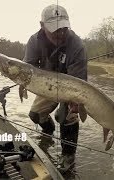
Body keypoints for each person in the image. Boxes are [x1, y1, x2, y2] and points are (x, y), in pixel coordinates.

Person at [22, 4, 87, 172]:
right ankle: (48, 131)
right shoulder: (34, 41)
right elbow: (27, 70)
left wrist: (74, 104)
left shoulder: (77, 45)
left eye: (64, 28)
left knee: (66, 117)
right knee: (35, 115)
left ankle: (68, 156)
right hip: (47, 85)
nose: (60, 33)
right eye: (55, 29)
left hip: (70, 87)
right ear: (42, 25)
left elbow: (80, 83)